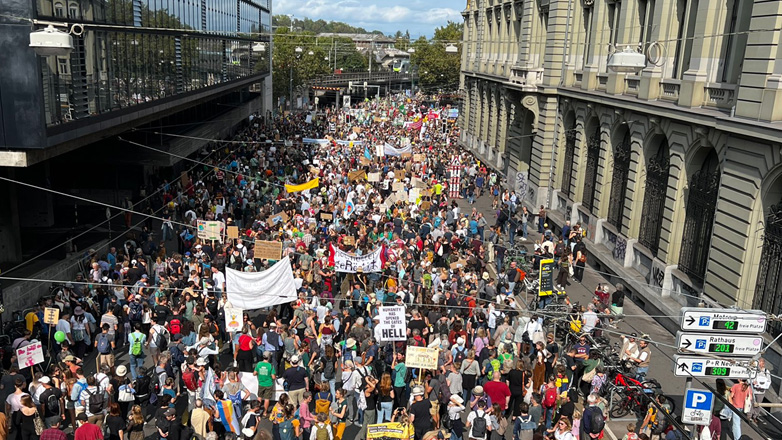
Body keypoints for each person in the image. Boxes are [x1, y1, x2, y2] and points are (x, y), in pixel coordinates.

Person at [254, 352, 276, 416]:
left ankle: (257, 410)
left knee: (259, 397)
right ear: (269, 357)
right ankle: (265, 413)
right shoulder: (270, 366)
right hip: (268, 384)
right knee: (267, 399)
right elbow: (273, 377)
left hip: (261, 383)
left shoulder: (258, 364)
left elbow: (254, 373)